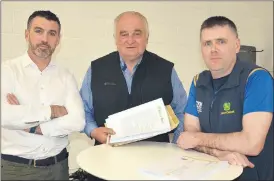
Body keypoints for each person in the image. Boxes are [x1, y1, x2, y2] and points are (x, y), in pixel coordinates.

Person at [80, 11, 187, 180]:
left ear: (147, 37)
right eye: (124, 34)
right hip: (105, 165)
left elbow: (182, 112)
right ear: (116, 38)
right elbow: (83, 110)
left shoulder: (166, 70)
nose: (130, 40)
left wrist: (175, 148)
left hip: (155, 167)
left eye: (137, 34)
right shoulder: (97, 69)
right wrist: (93, 131)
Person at [177, 16, 273, 180]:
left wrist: (199, 139)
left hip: (253, 175)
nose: (213, 49)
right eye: (207, 43)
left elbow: (252, 144)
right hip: (215, 172)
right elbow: (188, 136)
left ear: (236, 45)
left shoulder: (256, 79)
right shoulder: (198, 82)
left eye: (221, 41)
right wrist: (219, 153)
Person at [1, 10, 85, 180]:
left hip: (58, 168)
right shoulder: (7, 71)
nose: (45, 39)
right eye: (38, 31)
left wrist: (32, 126)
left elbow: (78, 121)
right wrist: (51, 111)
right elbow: (4, 116)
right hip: (17, 169)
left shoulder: (65, 76)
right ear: (27, 34)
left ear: (58, 39)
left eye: (52, 33)